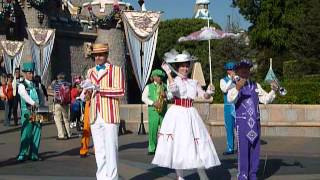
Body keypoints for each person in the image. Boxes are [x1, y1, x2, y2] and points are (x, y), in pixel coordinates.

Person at [152, 50, 221, 180]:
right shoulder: (174, 80)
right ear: (178, 67)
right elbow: (174, 90)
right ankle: (180, 176)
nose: (185, 68)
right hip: (178, 113)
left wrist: (210, 92)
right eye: (182, 66)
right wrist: (168, 73)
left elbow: (203, 96)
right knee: (180, 144)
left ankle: (202, 173)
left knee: (197, 144)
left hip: (191, 113)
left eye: (187, 65)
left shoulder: (193, 82)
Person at [227, 59, 278, 180]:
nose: (245, 71)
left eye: (247, 69)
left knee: (255, 150)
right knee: (243, 151)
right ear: (238, 71)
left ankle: (253, 174)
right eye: (242, 69)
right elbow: (230, 99)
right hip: (242, 124)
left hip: (255, 123)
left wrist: (273, 90)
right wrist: (238, 88)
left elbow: (265, 99)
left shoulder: (255, 85)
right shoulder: (233, 85)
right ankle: (243, 176)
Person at [81, 43, 125, 180]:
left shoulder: (116, 70)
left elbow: (120, 91)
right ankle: (101, 177)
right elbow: (88, 95)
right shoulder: (90, 71)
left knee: (111, 149)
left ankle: (112, 178)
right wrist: (85, 93)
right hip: (95, 115)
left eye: (100, 55)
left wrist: (99, 88)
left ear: (106, 55)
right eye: (95, 55)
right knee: (99, 150)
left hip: (109, 113)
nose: (98, 58)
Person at [17, 62, 42, 162]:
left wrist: (43, 107)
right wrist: (33, 103)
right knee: (26, 133)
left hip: (37, 112)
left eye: (32, 72)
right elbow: (24, 95)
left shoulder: (36, 84)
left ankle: (34, 154)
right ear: (25, 73)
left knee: (37, 131)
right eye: (29, 73)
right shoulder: (21, 85)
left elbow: (41, 96)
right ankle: (22, 154)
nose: (31, 75)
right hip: (27, 112)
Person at [142, 69, 167, 155]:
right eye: (158, 76)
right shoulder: (148, 86)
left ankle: (164, 148)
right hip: (153, 111)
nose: (160, 78)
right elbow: (143, 98)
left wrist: (166, 95)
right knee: (153, 130)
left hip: (163, 111)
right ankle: (152, 148)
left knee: (164, 130)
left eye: (161, 76)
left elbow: (171, 97)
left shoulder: (165, 86)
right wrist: (153, 103)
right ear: (154, 77)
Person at [220, 61, 236, 155]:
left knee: (239, 127)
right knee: (229, 128)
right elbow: (224, 89)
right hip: (228, 106)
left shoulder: (238, 79)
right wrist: (232, 80)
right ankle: (230, 148)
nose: (232, 70)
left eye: (233, 69)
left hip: (237, 105)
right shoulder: (223, 80)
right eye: (230, 69)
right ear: (227, 70)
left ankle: (241, 147)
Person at [52, 72, 72, 140]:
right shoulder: (67, 84)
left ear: (58, 78)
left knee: (58, 119)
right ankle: (69, 133)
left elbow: (52, 89)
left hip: (57, 103)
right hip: (65, 104)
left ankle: (61, 135)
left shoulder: (56, 85)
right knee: (66, 119)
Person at [79, 89, 92, 158]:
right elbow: (82, 97)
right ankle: (83, 150)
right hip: (89, 105)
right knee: (86, 129)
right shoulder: (88, 84)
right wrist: (86, 93)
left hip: (98, 105)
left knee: (98, 130)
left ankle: (98, 150)